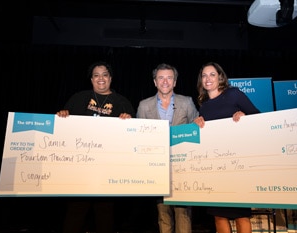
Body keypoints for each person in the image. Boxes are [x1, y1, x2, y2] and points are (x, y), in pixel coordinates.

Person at [57, 61, 135, 233]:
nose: (101, 78)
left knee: (105, 216)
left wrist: (128, 122)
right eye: (96, 75)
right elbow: (63, 129)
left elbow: (132, 138)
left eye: (105, 74)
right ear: (91, 79)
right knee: (74, 215)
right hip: (79, 171)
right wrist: (62, 116)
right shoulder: (78, 98)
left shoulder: (122, 102)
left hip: (107, 172)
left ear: (111, 78)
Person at [193, 62, 260, 233]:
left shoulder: (234, 94)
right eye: (204, 75)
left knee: (241, 215)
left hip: (237, 166)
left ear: (220, 77)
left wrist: (244, 116)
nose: (208, 79)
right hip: (215, 167)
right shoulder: (204, 106)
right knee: (219, 216)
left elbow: (258, 116)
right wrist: (197, 123)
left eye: (212, 74)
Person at [136, 63, 199, 233]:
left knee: (183, 214)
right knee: (163, 216)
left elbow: (197, 128)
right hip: (157, 170)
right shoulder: (144, 106)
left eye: (169, 77)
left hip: (182, 168)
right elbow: (138, 139)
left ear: (175, 82)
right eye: (161, 78)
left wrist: (199, 123)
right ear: (155, 82)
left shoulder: (186, 102)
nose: (165, 81)